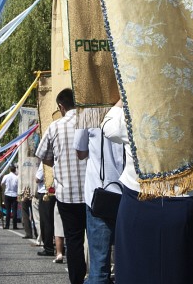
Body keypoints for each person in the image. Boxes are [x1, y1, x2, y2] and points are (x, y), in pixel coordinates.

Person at [102, 100, 193, 284]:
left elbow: (108, 127)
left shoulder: (137, 109)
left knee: (135, 274)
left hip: (138, 199)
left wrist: (122, 97)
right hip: (183, 200)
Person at [36, 88, 87, 284]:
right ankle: (99, 276)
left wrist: (58, 161)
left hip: (67, 193)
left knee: (73, 240)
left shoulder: (55, 127)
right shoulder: (89, 123)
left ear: (61, 106)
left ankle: (77, 280)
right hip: (92, 191)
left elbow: (43, 156)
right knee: (94, 237)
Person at [75, 121, 124, 284]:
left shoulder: (88, 112)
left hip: (99, 196)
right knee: (129, 265)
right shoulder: (131, 103)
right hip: (130, 195)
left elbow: (80, 152)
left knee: (99, 268)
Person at [34, 164, 56, 256]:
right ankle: (59, 246)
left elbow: (37, 179)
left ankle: (48, 247)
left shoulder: (45, 163)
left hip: (45, 193)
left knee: (46, 221)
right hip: (55, 192)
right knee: (54, 221)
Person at [1, 165, 20, 230]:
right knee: (14, 211)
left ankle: (7, 225)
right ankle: (14, 225)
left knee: (8, 210)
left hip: (7, 194)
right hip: (15, 194)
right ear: (15, 170)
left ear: (9, 169)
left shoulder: (6, 176)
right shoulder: (16, 177)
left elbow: (2, 184)